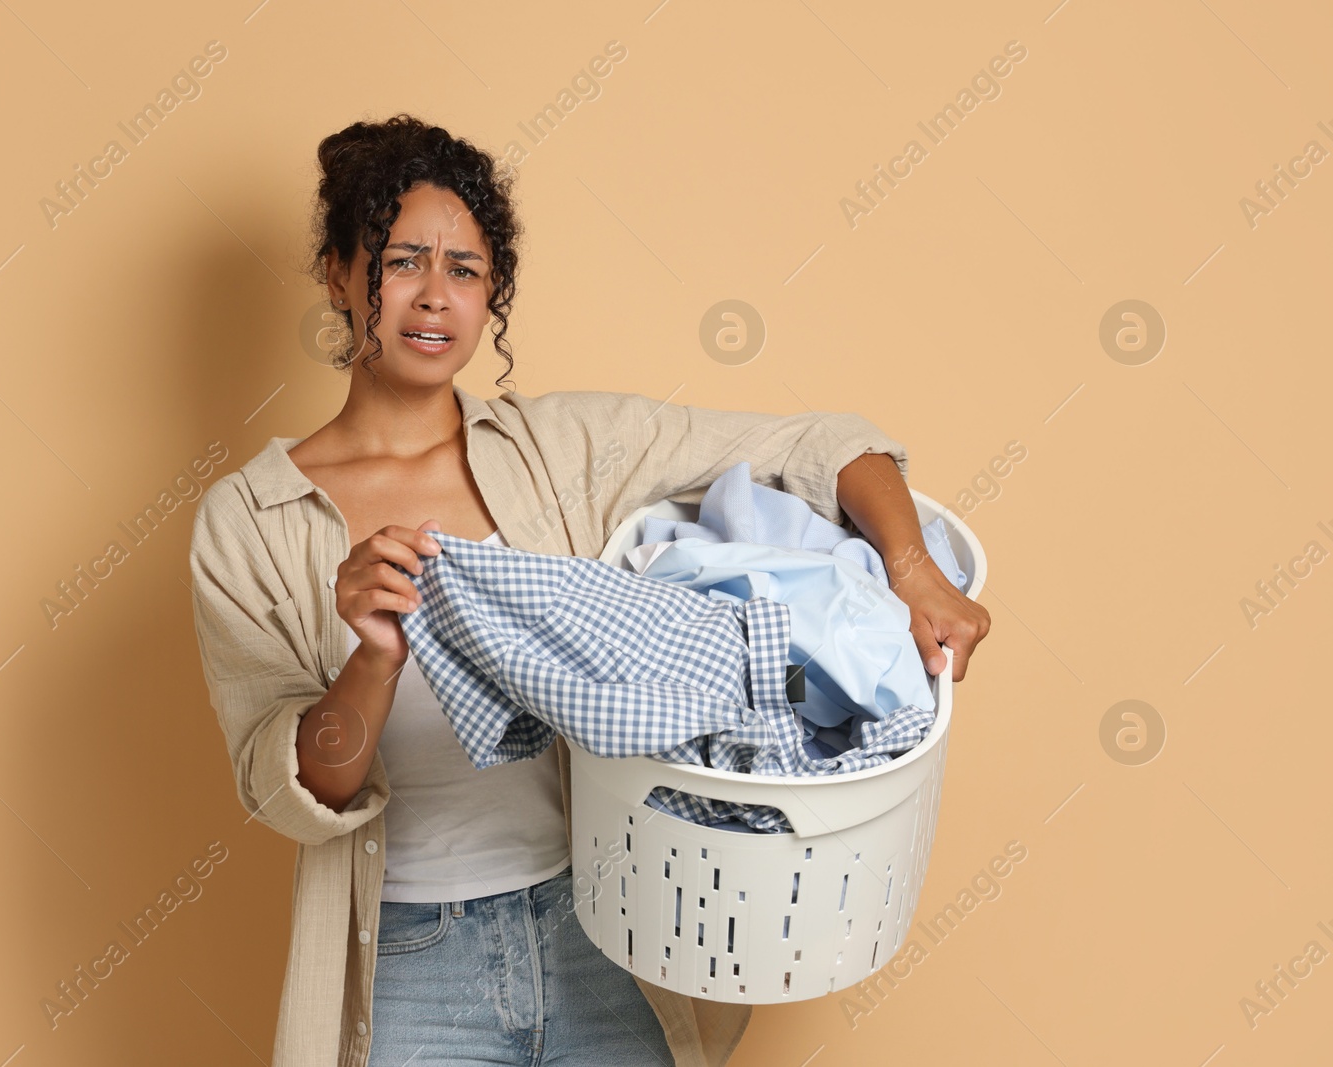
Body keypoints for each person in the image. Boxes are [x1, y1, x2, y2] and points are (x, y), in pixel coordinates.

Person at [188, 113, 990, 1067]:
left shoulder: (563, 452)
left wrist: (914, 573)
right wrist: (372, 655)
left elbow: (819, 446)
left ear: (493, 295)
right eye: (404, 260)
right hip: (409, 962)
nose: (435, 297)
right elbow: (292, 786)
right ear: (339, 270)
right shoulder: (251, 520)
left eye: (467, 270)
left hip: (601, 929)